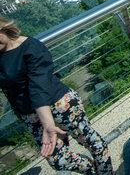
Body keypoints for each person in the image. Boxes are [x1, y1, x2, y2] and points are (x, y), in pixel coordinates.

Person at [0, 17, 114, 174]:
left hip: (60, 105)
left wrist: (47, 124)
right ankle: (93, 170)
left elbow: (38, 88)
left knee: (91, 141)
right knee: (58, 161)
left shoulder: (31, 47)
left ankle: (106, 173)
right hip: (30, 116)